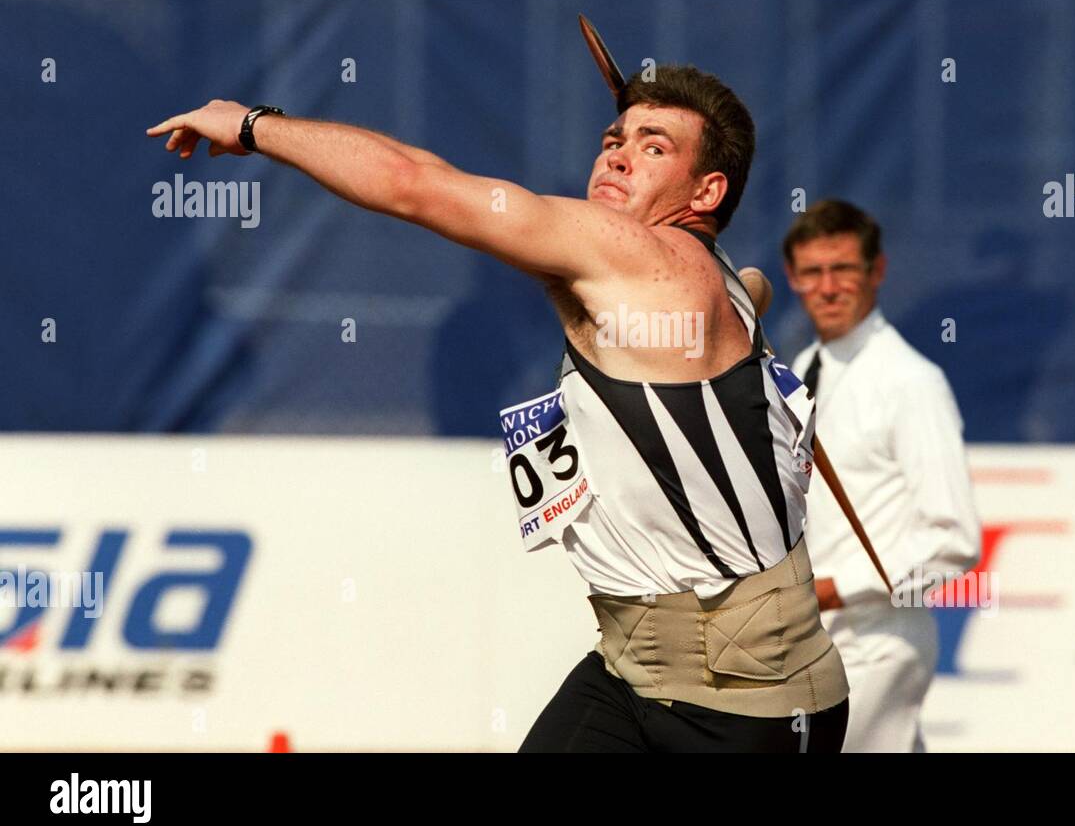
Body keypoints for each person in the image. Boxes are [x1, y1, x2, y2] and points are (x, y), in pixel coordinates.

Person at [148, 67, 849, 753]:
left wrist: (253, 126)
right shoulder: (720, 278)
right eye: (616, 138)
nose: (619, 154)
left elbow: (412, 184)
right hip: (634, 669)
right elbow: (746, 290)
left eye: (654, 146)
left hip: (747, 708)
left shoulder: (639, 258)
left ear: (708, 191)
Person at [783, 199, 980, 752]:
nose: (828, 287)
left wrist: (838, 590)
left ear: (877, 271)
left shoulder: (913, 383)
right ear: (792, 279)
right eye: (813, 272)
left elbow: (954, 540)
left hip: (879, 645)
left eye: (843, 269)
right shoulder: (799, 373)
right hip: (808, 640)